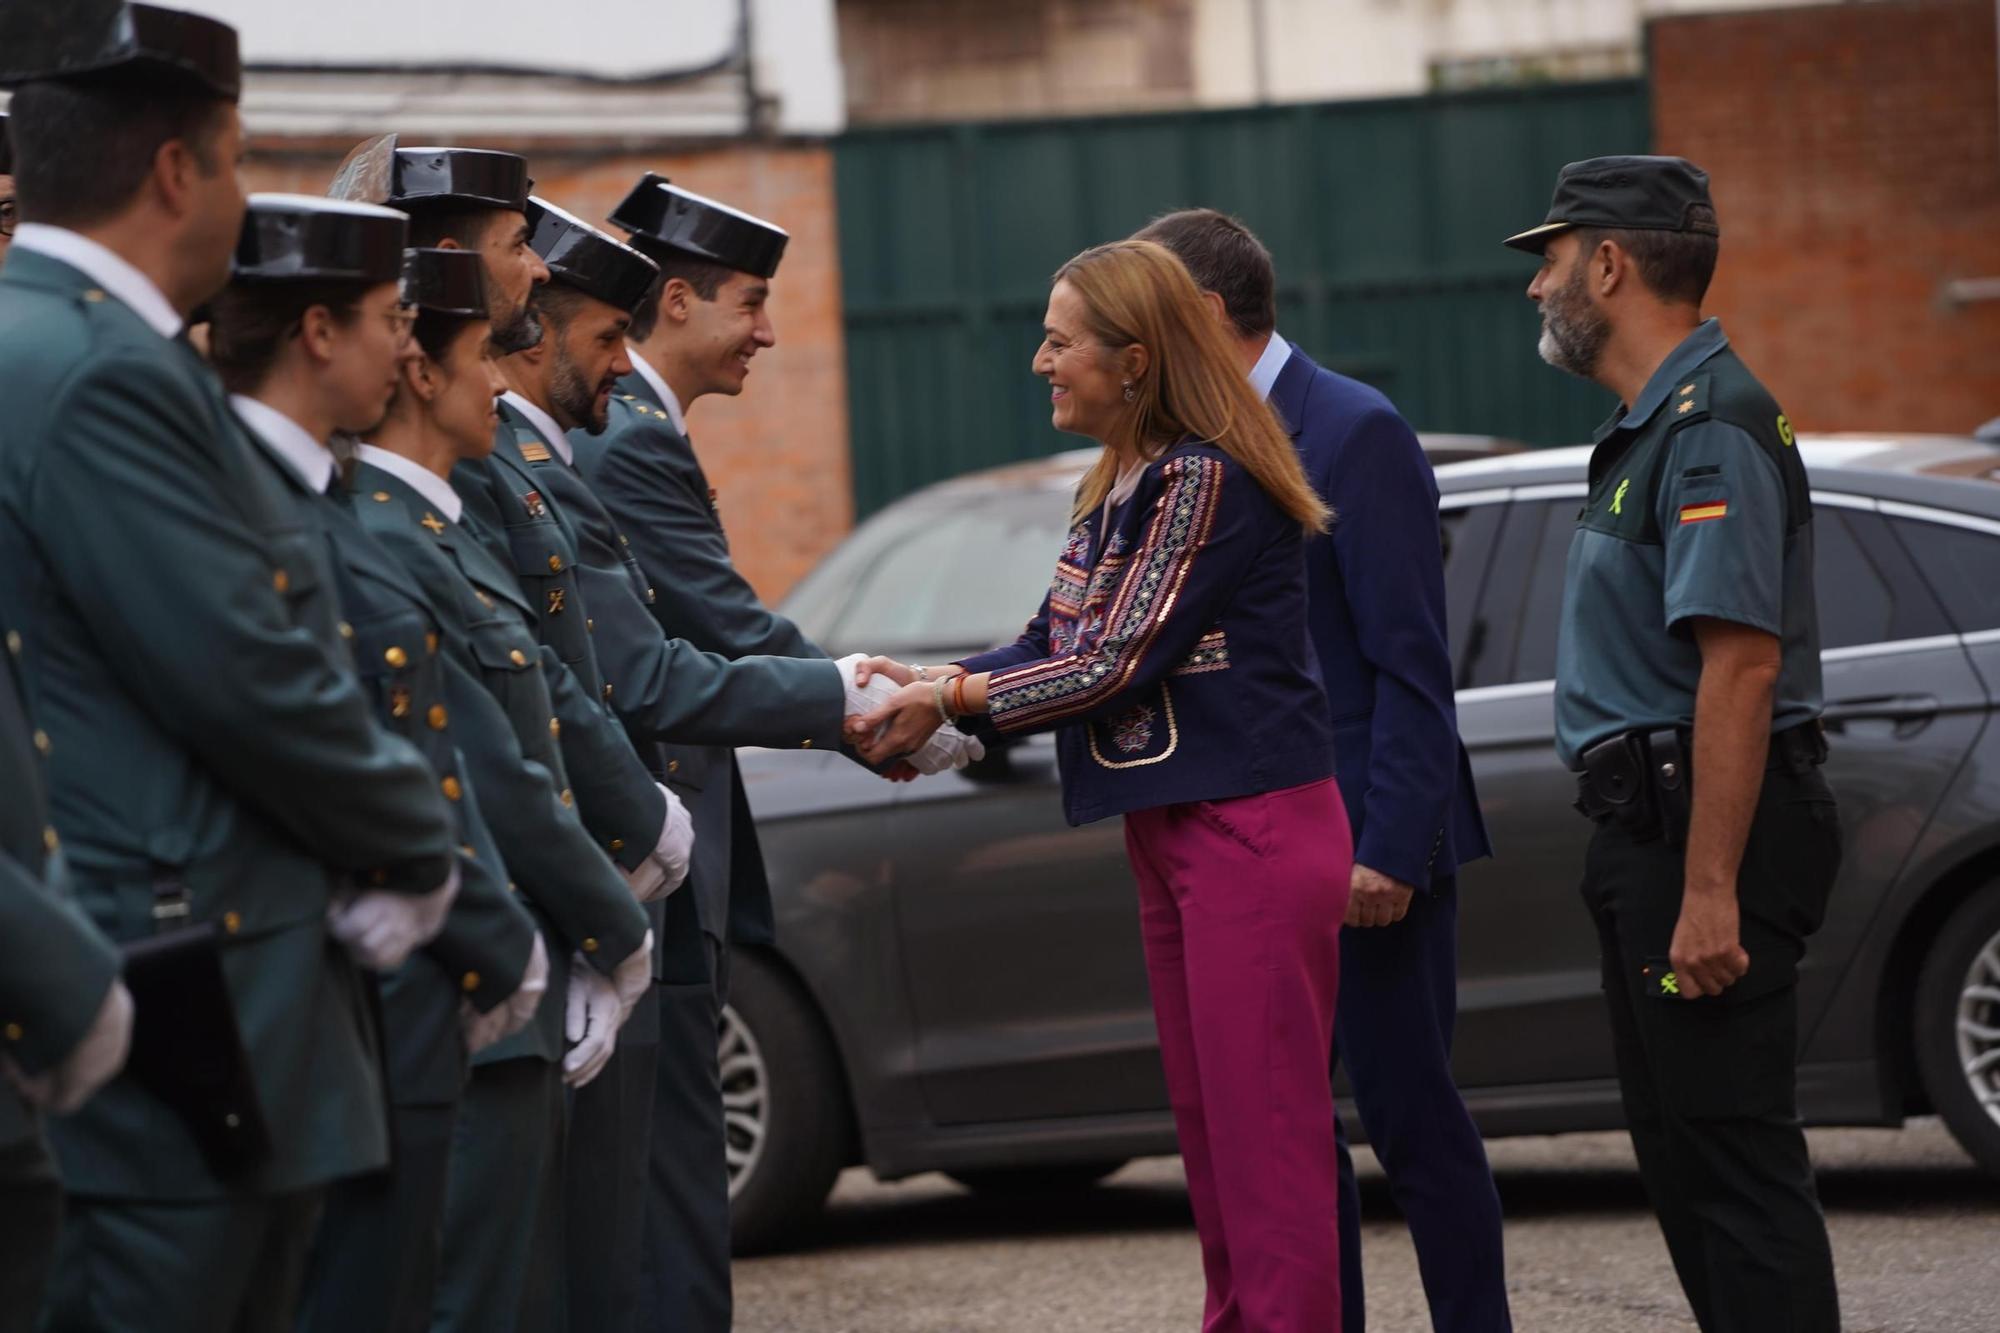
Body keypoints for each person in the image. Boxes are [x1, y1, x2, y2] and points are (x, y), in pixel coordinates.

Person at [0, 5, 461, 1329]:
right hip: (181, 985)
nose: (249, 192)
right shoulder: (95, 368)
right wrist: (411, 841)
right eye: (242, 155)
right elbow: (246, 671)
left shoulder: (84, 347)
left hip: (183, 971)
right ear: (175, 171)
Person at [852, 239, 1352, 1332]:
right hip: (1178, 830)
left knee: (1265, 1154)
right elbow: (1049, 636)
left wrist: (948, 701)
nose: (1038, 360)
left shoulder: (1200, 476)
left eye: (1058, 339)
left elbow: (1110, 661)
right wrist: (934, 678)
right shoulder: (1124, 475)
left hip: (1250, 831)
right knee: (1216, 1143)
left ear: (1134, 360)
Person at [582, 173, 945, 1330]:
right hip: (642, 849)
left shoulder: (636, 428)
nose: (770, 333)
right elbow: (721, 631)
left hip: (652, 841)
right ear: (675, 301)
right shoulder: (628, 439)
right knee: (670, 1182)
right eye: (750, 303)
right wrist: (873, 708)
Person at [1136, 208, 1508, 1333]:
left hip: (1363, 846)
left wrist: (1390, 846)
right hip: (1258, 848)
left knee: (1410, 1119)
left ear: (1202, 315)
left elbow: (1409, 661)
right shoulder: (1190, 446)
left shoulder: (1353, 428)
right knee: (1291, 1136)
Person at [202, 195, 553, 1333]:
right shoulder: (240, 504)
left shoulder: (309, 503)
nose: (407, 349)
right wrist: (491, 934)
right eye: (383, 319)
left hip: (373, 990)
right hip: (294, 988)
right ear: (316, 333)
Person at [1510, 155, 1841, 1333]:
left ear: (1607, 263)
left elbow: (1741, 666)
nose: (1536, 285)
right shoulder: (1652, 429)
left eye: (1548, 259)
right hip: (1644, 833)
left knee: (1733, 1168)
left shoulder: (1709, 431)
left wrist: (1708, 892)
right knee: (1682, 1160)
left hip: (1701, 843)